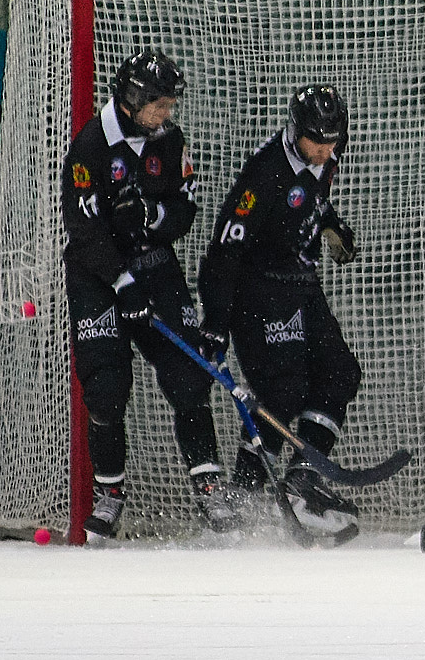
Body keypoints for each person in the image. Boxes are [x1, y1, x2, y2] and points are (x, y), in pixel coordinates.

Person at [61, 47, 243, 540]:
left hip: (154, 264)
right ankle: (110, 494)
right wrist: (121, 283)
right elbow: (85, 230)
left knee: (188, 373)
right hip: (97, 276)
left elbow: (184, 210)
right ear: (133, 97)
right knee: (106, 385)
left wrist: (150, 218)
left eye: (170, 106)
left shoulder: (169, 139)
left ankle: (209, 490)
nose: (167, 115)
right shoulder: (91, 146)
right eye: (159, 105)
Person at [198, 84, 365, 544]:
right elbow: (223, 254)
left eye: (334, 140)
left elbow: (313, 197)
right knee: (282, 393)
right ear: (295, 131)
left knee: (341, 373)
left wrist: (329, 223)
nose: (327, 150)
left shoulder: (326, 155)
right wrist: (215, 325)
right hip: (258, 292)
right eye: (318, 141)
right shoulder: (263, 176)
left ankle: (301, 480)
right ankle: (247, 496)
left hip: (300, 283)